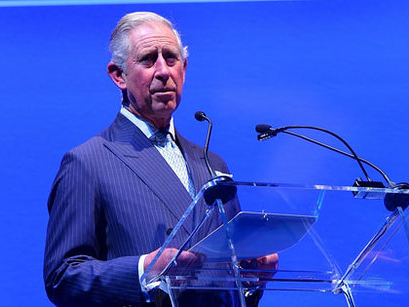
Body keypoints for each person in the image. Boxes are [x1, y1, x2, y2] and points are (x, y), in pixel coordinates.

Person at [43, 12, 278, 306]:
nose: (163, 70)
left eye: (171, 58)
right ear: (119, 75)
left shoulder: (213, 165)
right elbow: (63, 277)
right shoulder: (88, 162)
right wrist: (144, 269)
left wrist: (252, 277)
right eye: (148, 59)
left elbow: (227, 283)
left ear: (184, 68)